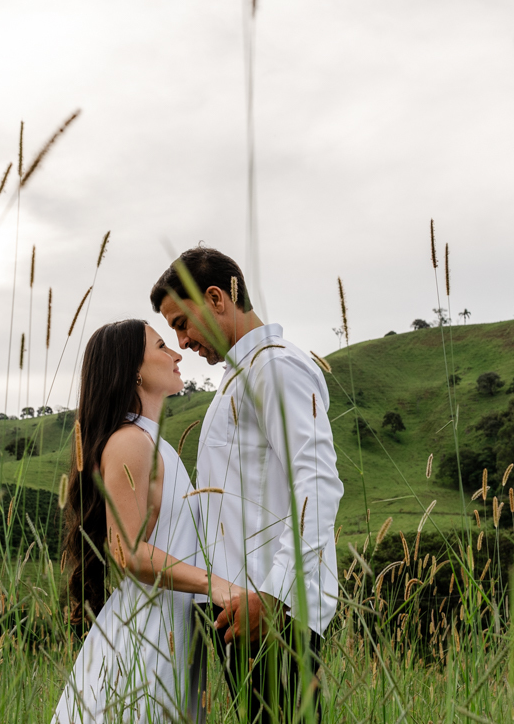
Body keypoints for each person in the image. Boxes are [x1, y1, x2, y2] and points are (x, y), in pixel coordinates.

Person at [150, 247, 344, 723]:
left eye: (181, 322)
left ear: (216, 298)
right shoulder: (241, 375)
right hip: (242, 606)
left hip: (272, 609)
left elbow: (317, 482)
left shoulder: (276, 367)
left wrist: (276, 594)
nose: (182, 340)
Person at [52, 319, 243, 723]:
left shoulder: (153, 443)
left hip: (172, 630)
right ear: (134, 370)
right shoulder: (130, 442)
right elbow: (128, 551)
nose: (176, 353)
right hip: (145, 636)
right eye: (161, 346)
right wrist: (218, 585)